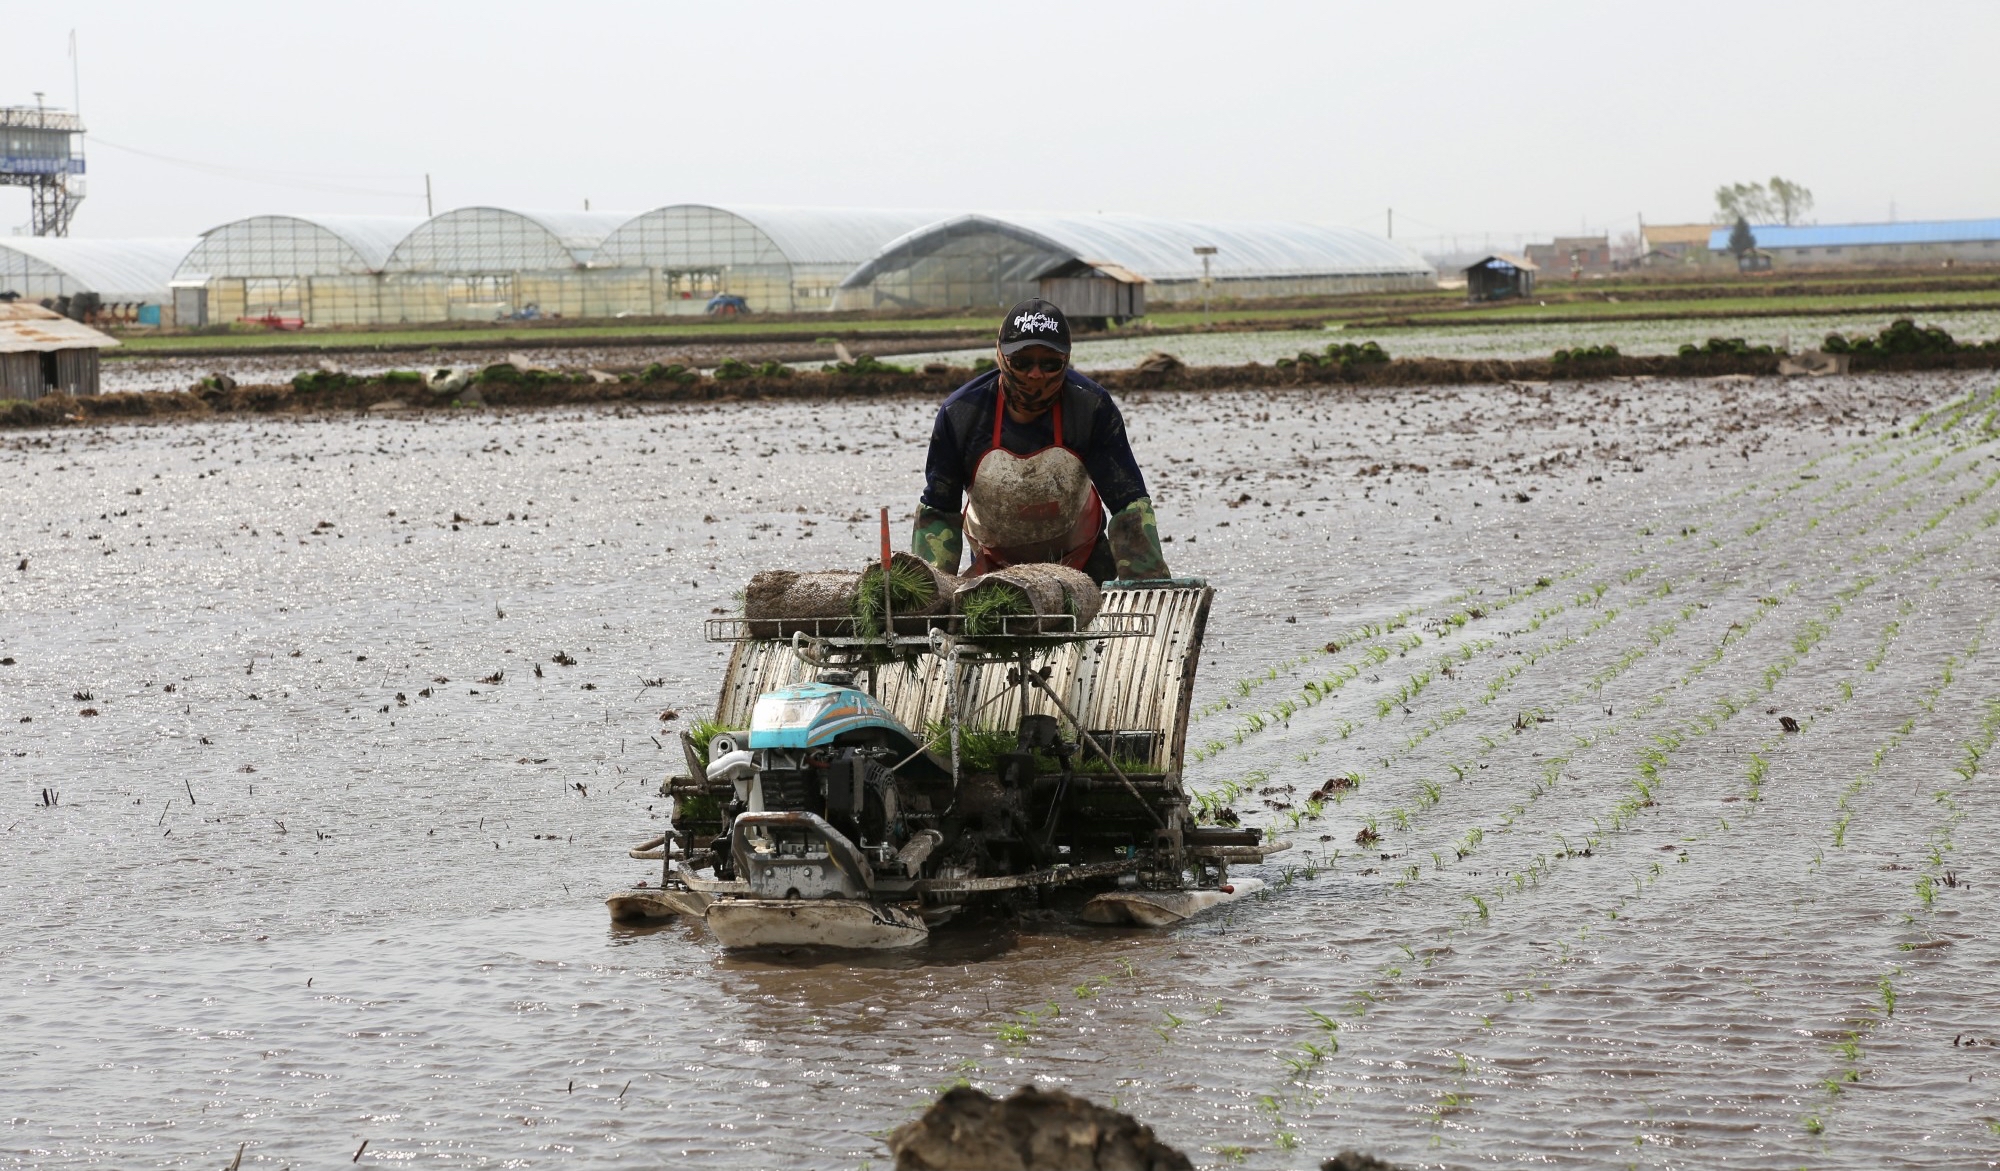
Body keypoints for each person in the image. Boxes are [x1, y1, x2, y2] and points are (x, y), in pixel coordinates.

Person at [912, 298, 1170, 584]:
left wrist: (1145, 584)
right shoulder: (961, 414)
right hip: (994, 568)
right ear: (1001, 355)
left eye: (1050, 364)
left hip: (1083, 560)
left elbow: (1127, 503)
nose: (1035, 375)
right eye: (1022, 362)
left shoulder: (1090, 408)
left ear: (1066, 360)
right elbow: (940, 510)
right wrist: (932, 590)